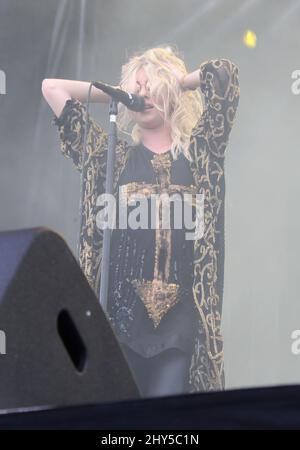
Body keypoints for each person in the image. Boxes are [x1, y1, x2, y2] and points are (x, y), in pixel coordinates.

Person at [42, 45, 240, 397]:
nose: (144, 93)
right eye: (138, 86)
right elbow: (52, 87)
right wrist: (118, 96)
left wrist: (177, 81)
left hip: (180, 325)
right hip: (118, 320)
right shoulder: (109, 157)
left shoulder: (201, 154)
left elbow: (224, 75)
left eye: (152, 86)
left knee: (166, 420)